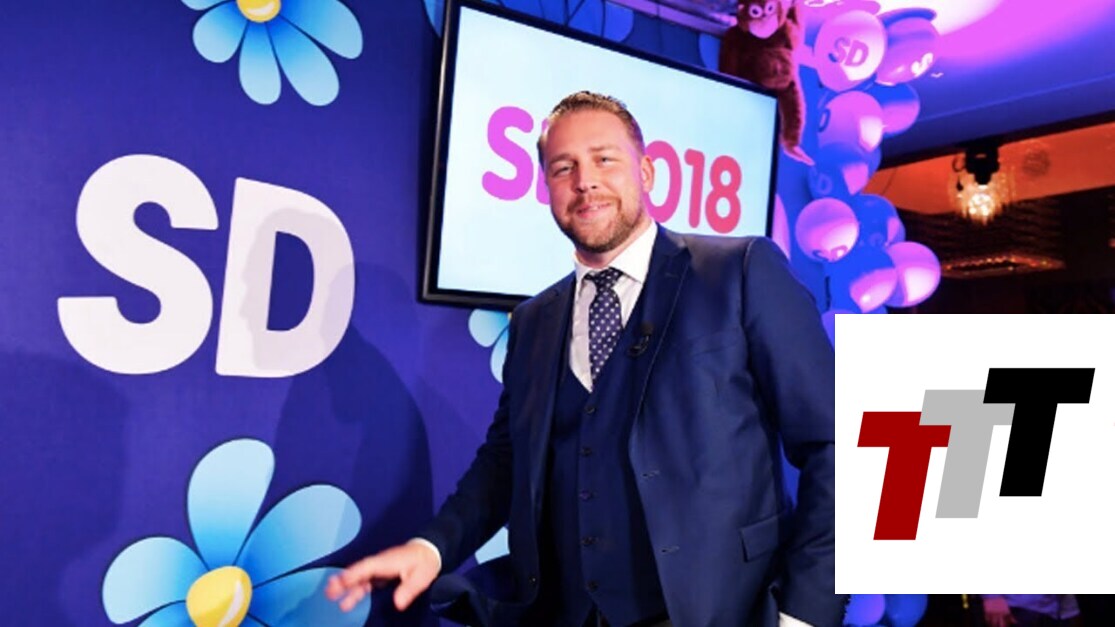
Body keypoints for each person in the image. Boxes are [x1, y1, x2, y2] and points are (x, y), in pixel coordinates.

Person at [326, 91, 843, 626]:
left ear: (647, 172)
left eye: (604, 159)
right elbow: (506, 461)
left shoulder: (740, 271)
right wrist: (431, 548)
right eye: (563, 167)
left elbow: (840, 444)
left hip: (724, 612)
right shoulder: (534, 320)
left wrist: (804, 614)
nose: (585, 181)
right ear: (546, 188)